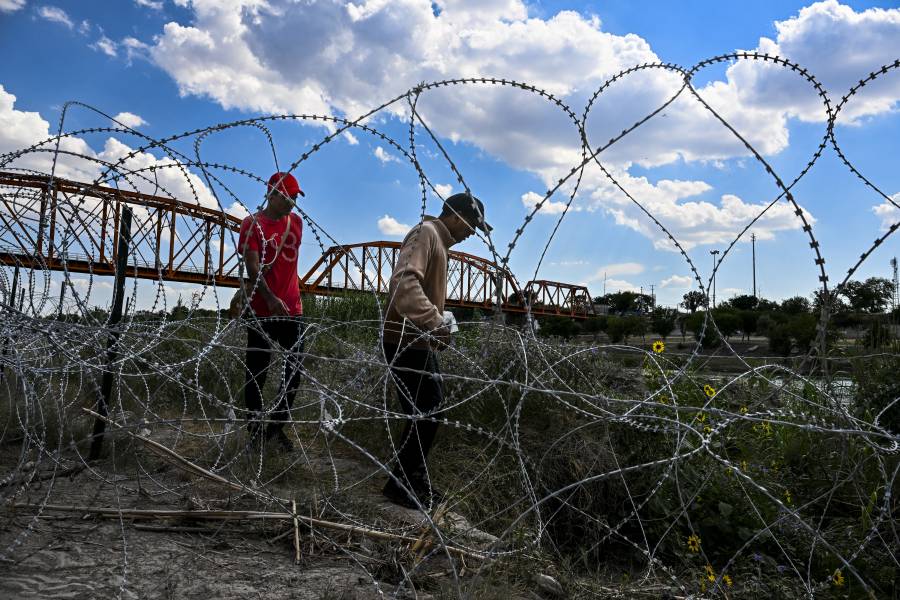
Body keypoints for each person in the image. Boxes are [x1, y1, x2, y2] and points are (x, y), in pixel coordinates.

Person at [381, 192, 491, 509]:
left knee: (427, 412)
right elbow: (404, 283)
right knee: (427, 411)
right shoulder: (426, 233)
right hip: (402, 341)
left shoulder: (439, 242)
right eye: (472, 224)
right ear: (455, 215)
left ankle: (412, 480)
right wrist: (434, 322)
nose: (472, 233)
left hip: (416, 341)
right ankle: (401, 484)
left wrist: (436, 325)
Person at [238, 172, 306, 451]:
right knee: (257, 372)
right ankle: (254, 431)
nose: (293, 202)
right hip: (261, 310)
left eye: (296, 197)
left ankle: (275, 429)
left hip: (292, 309)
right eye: (289, 196)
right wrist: (269, 297)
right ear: (273, 194)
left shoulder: (297, 223)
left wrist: (285, 298)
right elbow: (252, 268)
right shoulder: (251, 224)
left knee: (295, 370)